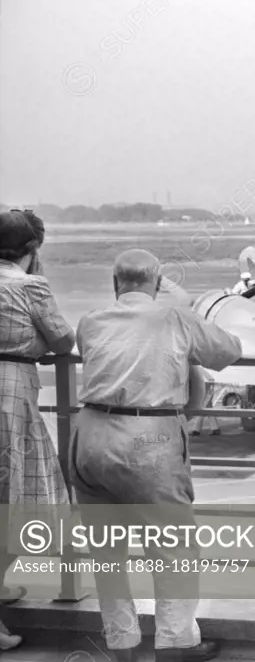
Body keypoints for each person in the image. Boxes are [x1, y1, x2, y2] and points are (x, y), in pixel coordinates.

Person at [69, 248, 243, 662]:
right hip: (147, 440)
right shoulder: (174, 318)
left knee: (106, 550)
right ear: (158, 282)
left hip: (90, 436)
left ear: (115, 283)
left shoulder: (90, 321)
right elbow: (229, 350)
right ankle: (175, 643)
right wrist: (180, 307)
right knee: (174, 549)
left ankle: (122, 646)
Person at [0, 210, 77, 651]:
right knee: (16, 498)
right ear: (31, 249)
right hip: (11, 396)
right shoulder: (29, 285)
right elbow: (64, 340)